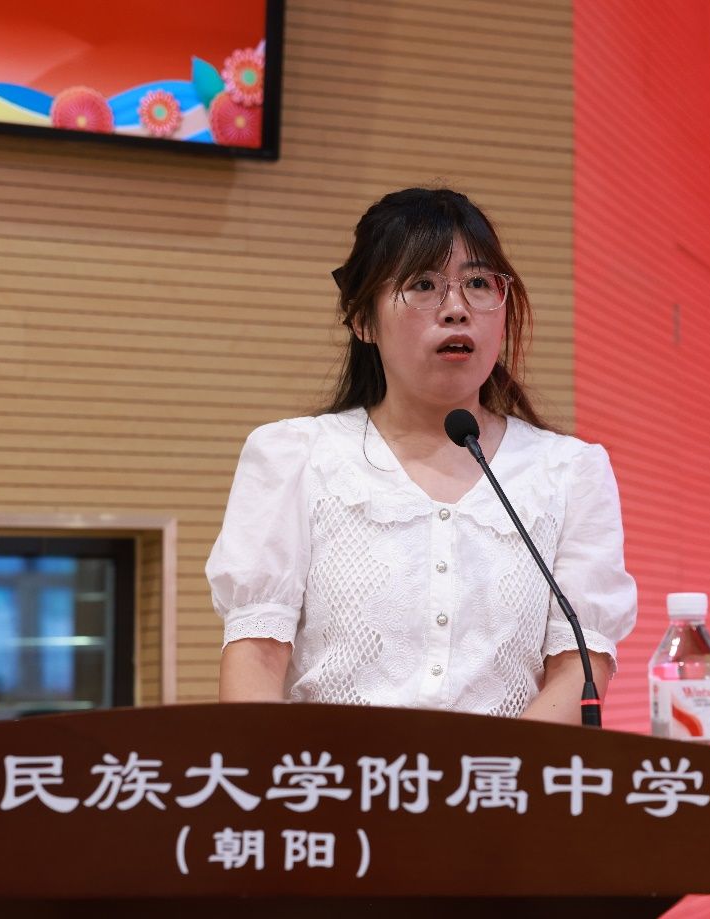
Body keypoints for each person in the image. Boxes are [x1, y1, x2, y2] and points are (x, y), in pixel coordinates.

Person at [206, 188, 636, 724]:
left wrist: (494, 772)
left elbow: (580, 666)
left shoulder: (570, 471)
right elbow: (256, 657)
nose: (457, 309)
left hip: (502, 775)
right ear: (364, 321)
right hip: (333, 774)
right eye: (424, 285)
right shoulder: (293, 457)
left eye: (479, 284)